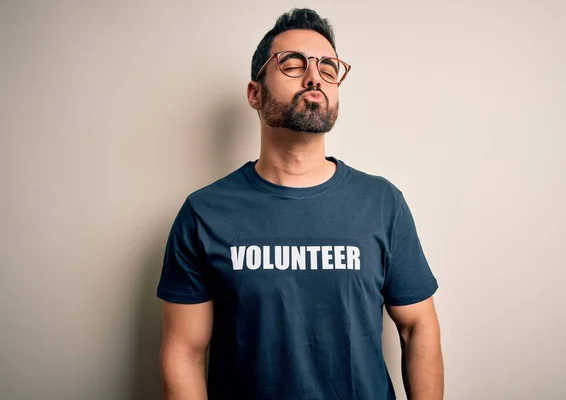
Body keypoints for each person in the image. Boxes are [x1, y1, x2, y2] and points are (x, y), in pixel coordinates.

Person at [157, 8, 443, 400]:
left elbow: (418, 327)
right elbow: (184, 353)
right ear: (255, 93)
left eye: (328, 68)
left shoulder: (382, 203)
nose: (314, 77)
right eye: (292, 64)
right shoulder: (204, 213)